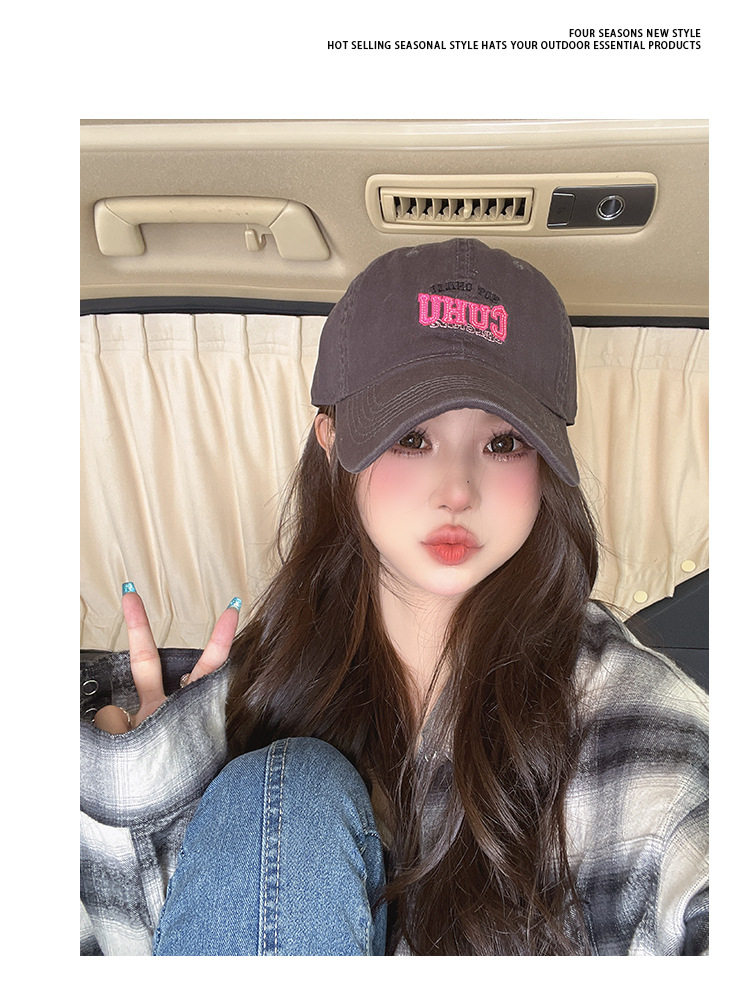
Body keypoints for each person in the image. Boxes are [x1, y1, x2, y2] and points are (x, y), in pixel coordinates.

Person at [80, 238, 708, 956]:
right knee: (282, 793)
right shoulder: (259, 687)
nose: (458, 491)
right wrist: (151, 794)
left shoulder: (622, 715)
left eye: (504, 443)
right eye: (412, 437)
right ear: (331, 443)